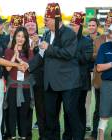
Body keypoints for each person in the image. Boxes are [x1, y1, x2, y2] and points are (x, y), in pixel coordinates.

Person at [26, 3, 83, 140]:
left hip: (68, 83)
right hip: (50, 84)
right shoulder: (46, 34)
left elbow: (69, 53)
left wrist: (48, 47)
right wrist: (27, 65)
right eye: (45, 19)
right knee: (50, 116)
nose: (45, 22)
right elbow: (42, 56)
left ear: (56, 19)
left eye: (47, 20)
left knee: (71, 114)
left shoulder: (69, 33)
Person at [63, 12, 93, 140]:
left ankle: (79, 136)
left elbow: (85, 59)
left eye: (74, 25)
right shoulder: (65, 39)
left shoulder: (86, 41)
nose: (72, 27)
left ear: (80, 26)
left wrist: (71, 50)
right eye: (70, 25)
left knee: (79, 109)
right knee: (67, 110)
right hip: (66, 81)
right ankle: (67, 135)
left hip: (80, 82)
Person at [4, 26, 34, 140]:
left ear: (26, 39)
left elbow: (25, 68)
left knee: (24, 114)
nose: (20, 39)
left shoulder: (29, 52)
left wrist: (19, 57)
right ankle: (11, 136)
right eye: (19, 36)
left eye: (23, 37)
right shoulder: (8, 51)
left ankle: (23, 136)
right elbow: (7, 68)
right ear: (15, 37)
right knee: (11, 113)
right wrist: (14, 55)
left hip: (25, 87)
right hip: (12, 86)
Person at [89, 12, 112, 140]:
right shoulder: (99, 41)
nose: (109, 23)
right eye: (107, 21)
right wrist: (100, 56)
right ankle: (95, 133)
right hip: (101, 80)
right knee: (100, 109)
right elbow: (93, 58)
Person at [24, 11, 46, 140]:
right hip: (25, 80)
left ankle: (43, 136)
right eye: (28, 25)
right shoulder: (20, 40)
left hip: (40, 81)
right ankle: (27, 136)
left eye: (33, 24)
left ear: (36, 26)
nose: (31, 27)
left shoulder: (44, 39)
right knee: (26, 109)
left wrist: (37, 47)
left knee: (41, 110)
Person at [2, 14, 24, 140]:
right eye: (12, 26)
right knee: (6, 107)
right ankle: (8, 132)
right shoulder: (2, 39)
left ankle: (23, 133)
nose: (14, 29)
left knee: (21, 108)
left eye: (17, 27)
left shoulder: (24, 41)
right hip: (5, 77)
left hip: (20, 80)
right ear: (9, 27)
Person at [96, 24, 112, 140]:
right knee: (104, 113)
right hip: (108, 84)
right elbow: (99, 68)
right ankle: (100, 137)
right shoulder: (104, 47)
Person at [86, 17, 101, 132]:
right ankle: (87, 124)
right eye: (89, 25)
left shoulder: (102, 39)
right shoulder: (84, 39)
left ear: (97, 26)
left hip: (99, 73)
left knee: (99, 102)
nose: (91, 27)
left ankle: (99, 126)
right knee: (87, 101)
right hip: (87, 73)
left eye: (93, 25)